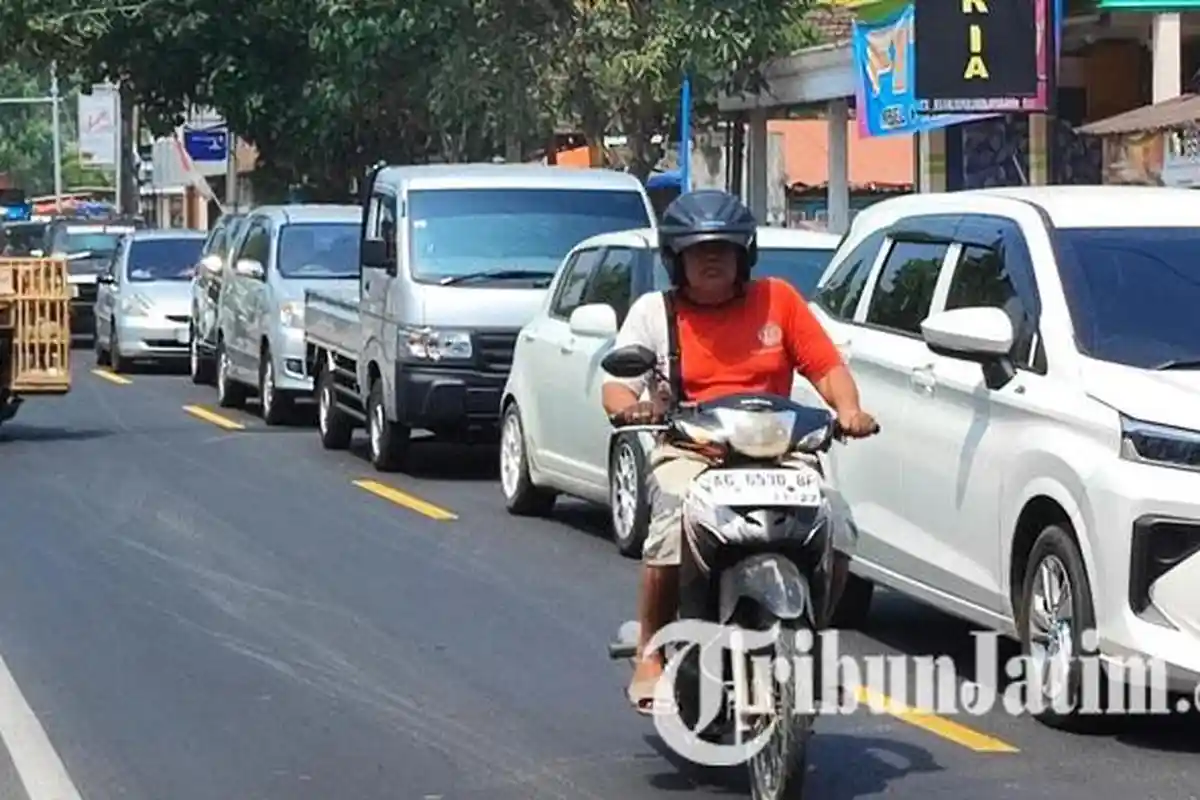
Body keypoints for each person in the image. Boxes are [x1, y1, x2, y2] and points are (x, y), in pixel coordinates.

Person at [600, 189, 878, 715]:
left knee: (836, 524)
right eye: (699, 249)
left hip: (780, 452)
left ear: (743, 255)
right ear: (675, 258)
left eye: (724, 249)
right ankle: (650, 655)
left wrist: (849, 410)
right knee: (669, 526)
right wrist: (629, 409)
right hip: (694, 451)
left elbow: (826, 368)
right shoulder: (654, 312)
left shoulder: (780, 300)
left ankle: (812, 642)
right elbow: (617, 388)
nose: (711, 259)